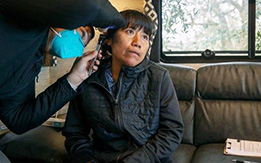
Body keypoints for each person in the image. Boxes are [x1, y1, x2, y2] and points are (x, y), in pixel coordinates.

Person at [62, 10, 184, 163]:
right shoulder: (87, 75)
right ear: (109, 39)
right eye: (130, 31)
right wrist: (85, 159)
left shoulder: (159, 76)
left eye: (145, 36)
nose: (137, 42)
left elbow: (172, 132)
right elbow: (75, 133)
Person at [0, 0, 125, 134]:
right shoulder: (20, 13)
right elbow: (90, 5)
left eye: (83, 43)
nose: (78, 44)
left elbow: (18, 119)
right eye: (82, 34)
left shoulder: (30, 66)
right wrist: (119, 23)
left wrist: (72, 81)